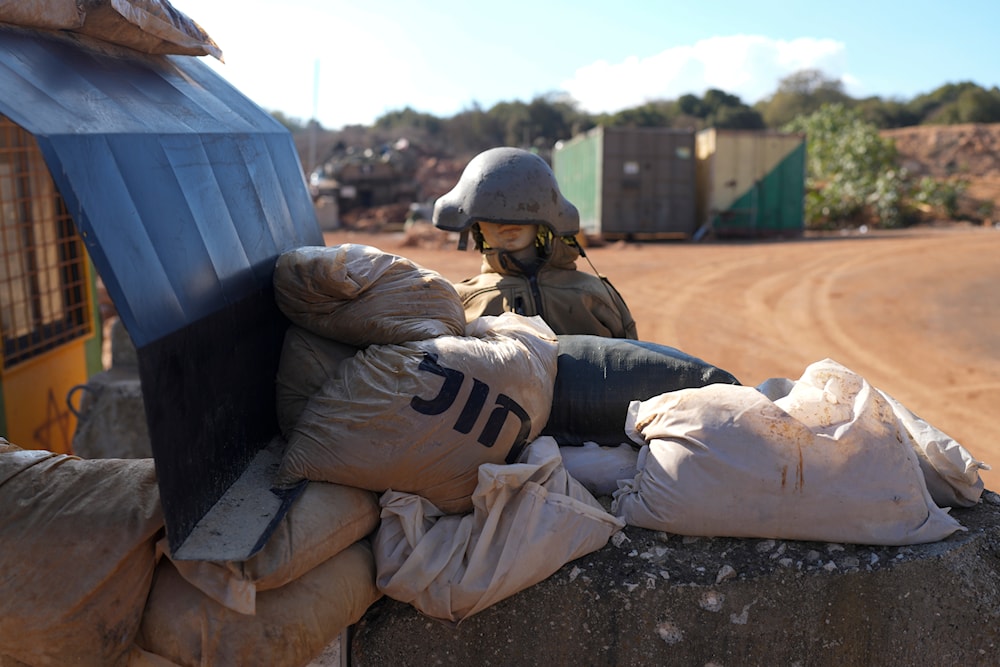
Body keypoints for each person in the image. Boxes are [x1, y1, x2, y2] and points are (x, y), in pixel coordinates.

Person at [432, 147, 637, 339]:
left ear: (545, 215)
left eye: (522, 209)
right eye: (493, 212)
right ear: (474, 225)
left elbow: (631, 364)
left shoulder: (593, 294)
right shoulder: (462, 302)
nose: (507, 222)